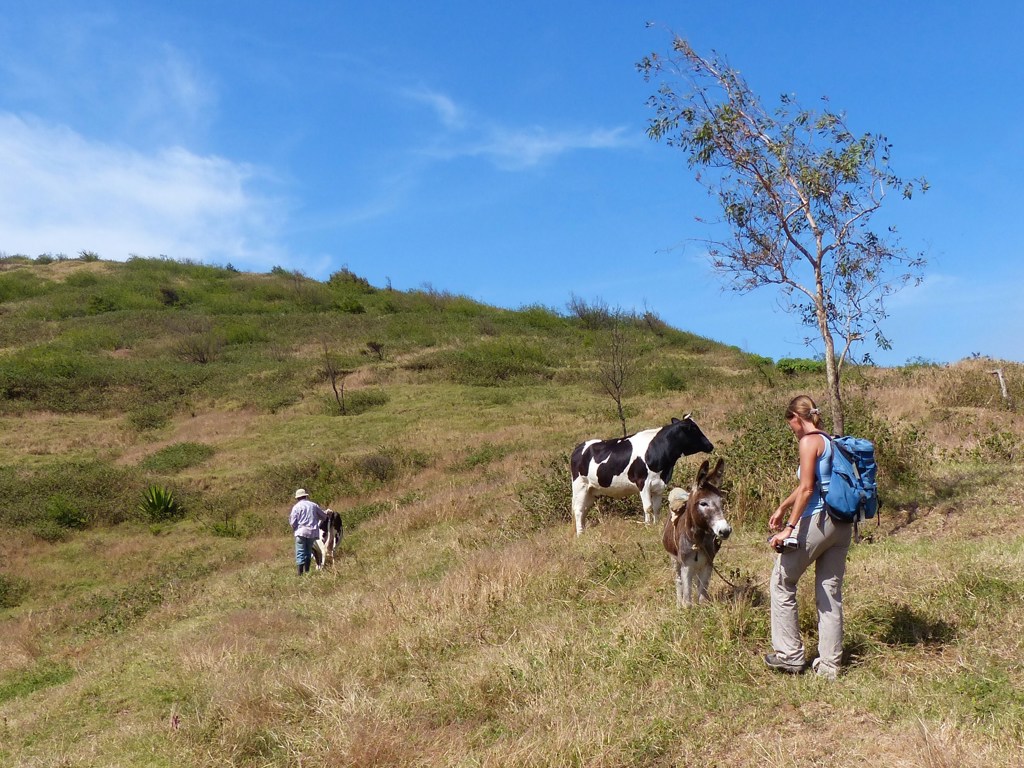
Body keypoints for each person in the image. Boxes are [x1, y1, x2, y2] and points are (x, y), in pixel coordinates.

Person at [764, 395, 853, 680]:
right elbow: (812, 483)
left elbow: (807, 489)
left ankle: (789, 655)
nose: (791, 428)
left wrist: (789, 527)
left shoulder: (808, 441)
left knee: (782, 580)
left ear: (795, 417)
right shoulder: (829, 440)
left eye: (790, 422)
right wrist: (783, 505)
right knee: (830, 593)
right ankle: (829, 667)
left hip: (818, 519)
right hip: (841, 524)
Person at [290, 488, 328, 575]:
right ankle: (307, 571)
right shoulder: (313, 505)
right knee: (308, 552)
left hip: (300, 532)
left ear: (297, 498)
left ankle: (300, 573)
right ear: (306, 496)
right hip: (312, 532)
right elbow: (323, 516)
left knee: (300, 552)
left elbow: (292, 522)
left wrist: (295, 528)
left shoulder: (296, 507)